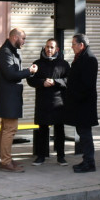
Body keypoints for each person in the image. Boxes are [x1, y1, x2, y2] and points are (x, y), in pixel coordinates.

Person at [0, 28, 37, 172]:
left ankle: (5, 158)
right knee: (10, 129)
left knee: (6, 129)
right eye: (23, 38)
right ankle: (5, 161)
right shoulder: (5, 52)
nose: (24, 42)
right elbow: (11, 74)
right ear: (14, 37)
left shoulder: (11, 51)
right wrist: (29, 71)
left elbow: (14, 72)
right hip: (8, 98)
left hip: (10, 97)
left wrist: (27, 72)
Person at [26, 38, 69, 166]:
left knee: (59, 130)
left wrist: (56, 82)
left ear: (57, 49)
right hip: (43, 102)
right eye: (47, 47)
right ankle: (41, 156)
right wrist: (42, 83)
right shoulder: (37, 63)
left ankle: (61, 156)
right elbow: (30, 80)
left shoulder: (64, 64)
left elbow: (69, 80)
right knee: (42, 130)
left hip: (59, 102)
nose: (49, 50)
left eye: (51, 47)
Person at [66, 33, 98, 173]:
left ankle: (89, 163)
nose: (72, 47)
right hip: (79, 103)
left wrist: (75, 95)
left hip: (84, 104)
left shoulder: (89, 59)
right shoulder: (81, 57)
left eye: (73, 44)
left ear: (81, 45)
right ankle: (86, 160)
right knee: (82, 133)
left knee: (85, 134)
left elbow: (87, 84)